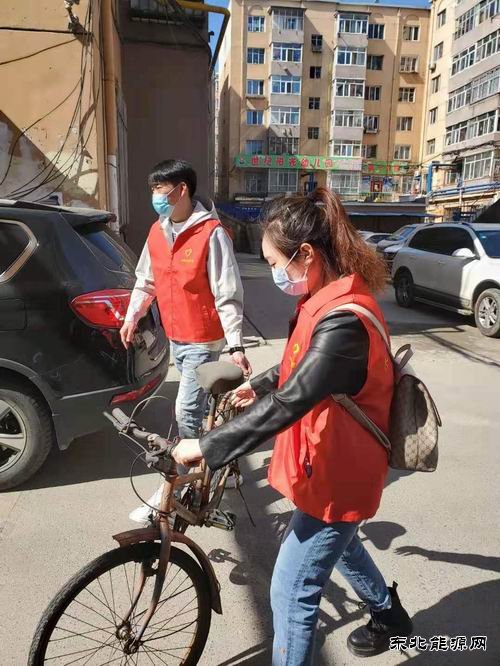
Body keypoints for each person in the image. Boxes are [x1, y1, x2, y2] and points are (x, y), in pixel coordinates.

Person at [173, 187, 413, 664]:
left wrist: (207, 445)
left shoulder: (344, 321)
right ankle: (389, 616)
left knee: (291, 590)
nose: (274, 272)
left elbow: (293, 399)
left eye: (273, 262)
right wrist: (258, 384)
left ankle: (385, 618)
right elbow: (300, 367)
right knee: (341, 544)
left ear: (305, 254)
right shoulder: (325, 298)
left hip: (341, 473)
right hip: (326, 459)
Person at [121, 159, 251, 519]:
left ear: (181, 190)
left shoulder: (211, 233)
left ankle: (181, 482)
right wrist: (132, 316)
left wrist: (236, 344)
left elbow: (227, 293)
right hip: (175, 335)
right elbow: (146, 280)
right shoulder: (157, 232)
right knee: (206, 409)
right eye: (152, 190)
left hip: (204, 339)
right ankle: (224, 460)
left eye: (160, 190)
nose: (155, 197)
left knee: (186, 411)